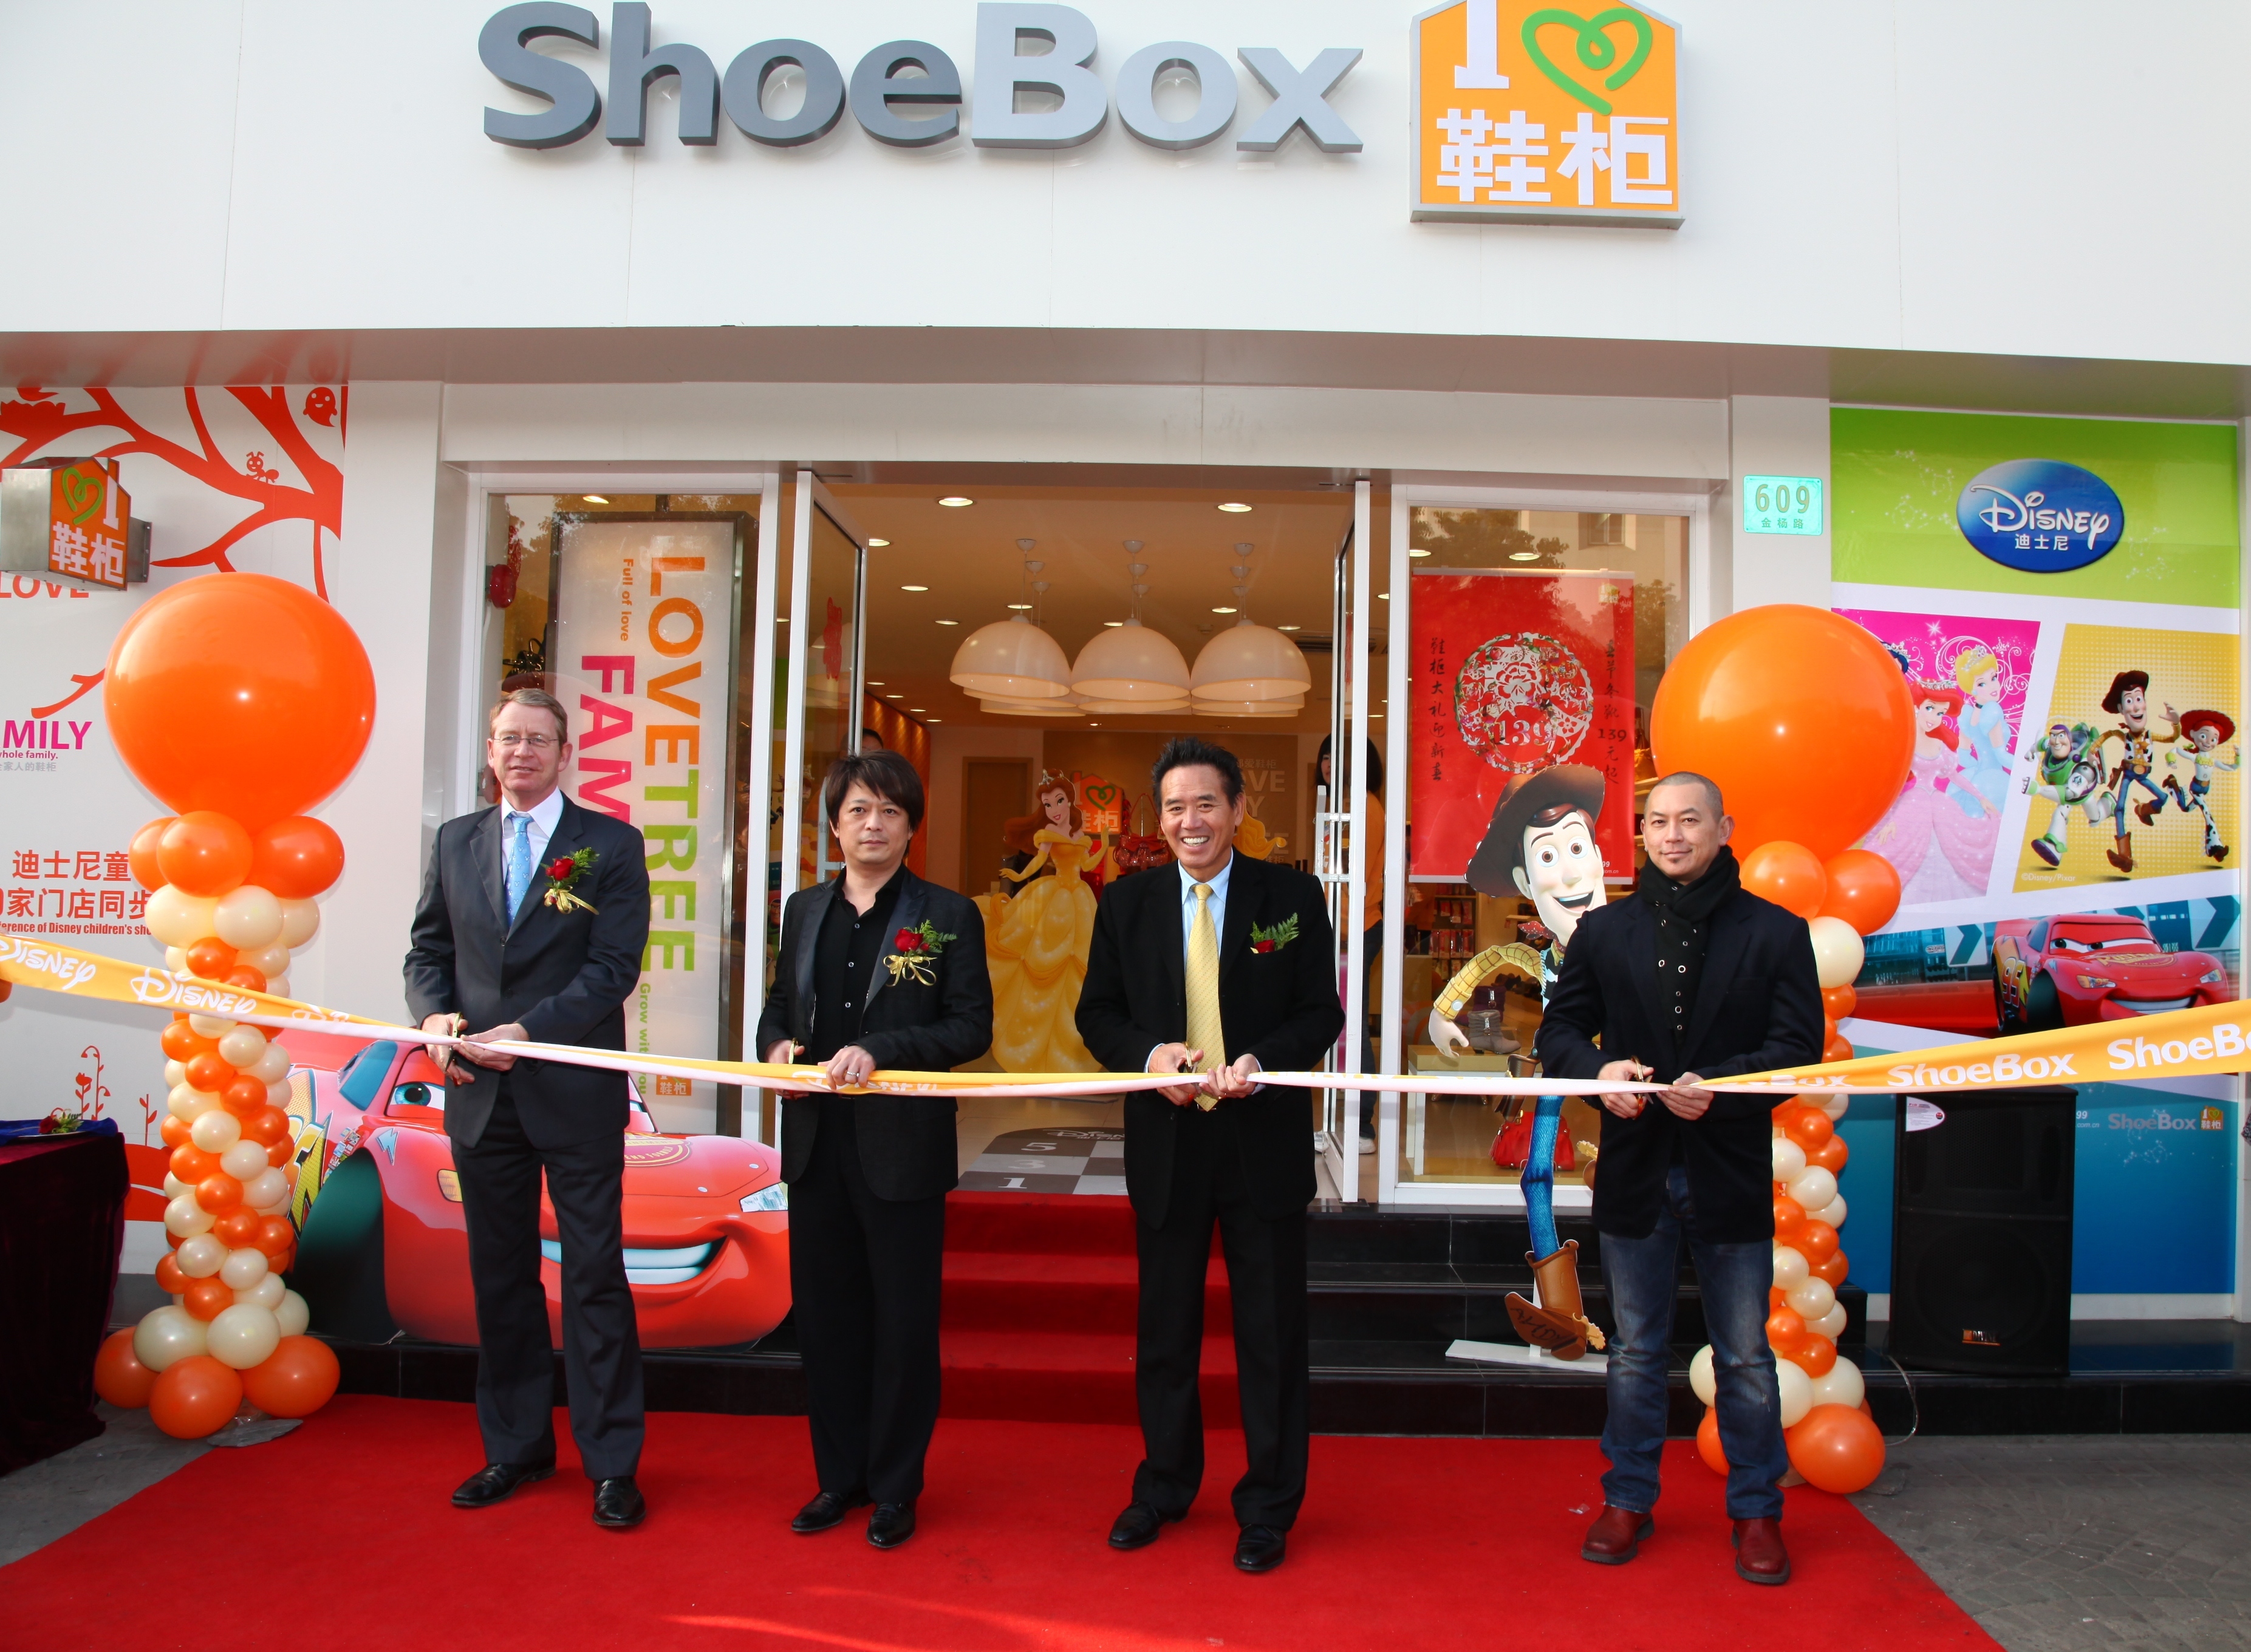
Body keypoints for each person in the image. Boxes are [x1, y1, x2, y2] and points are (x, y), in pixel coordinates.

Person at [1534, 773, 1823, 1586]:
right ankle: (1627, 1498)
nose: (1671, 835)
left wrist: (1720, 1086)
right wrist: (1599, 1072)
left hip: (1728, 1169)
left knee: (1745, 1355)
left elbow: (1796, 1049)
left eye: (1688, 820)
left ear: (1722, 828)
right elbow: (1559, 1030)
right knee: (1633, 1352)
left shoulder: (1775, 932)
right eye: (1657, 821)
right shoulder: (1604, 930)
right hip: (1634, 1171)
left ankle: (1757, 1511)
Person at [1076, 737, 1345, 1575]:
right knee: (1165, 1331)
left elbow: (1321, 1012)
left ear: (1236, 810)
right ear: (1159, 818)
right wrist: (1148, 1055)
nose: (1188, 820)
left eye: (1204, 804)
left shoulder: (1290, 896)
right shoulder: (1127, 903)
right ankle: (1163, 1485)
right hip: (1168, 1142)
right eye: (1174, 807)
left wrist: (1264, 1061)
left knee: (1270, 1334)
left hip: (1260, 1138)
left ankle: (1268, 1503)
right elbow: (1097, 1014)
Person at [404, 688, 653, 1529]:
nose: (521, 752)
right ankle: (514, 1448)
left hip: (572, 1092)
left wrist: (530, 1032)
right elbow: (428, 951)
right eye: (508, 738)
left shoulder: (609, 845)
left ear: (564, 752)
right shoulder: (456, 840)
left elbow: (612, 968)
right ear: (491, 749)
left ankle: (612, 1463)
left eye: (538, 740)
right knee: (500, 1277)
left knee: (593, 1276)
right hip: (479, 1095)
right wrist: (432, 1017)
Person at [756, 751, 992, 1551]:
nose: (873, 824)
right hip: (816, 1146)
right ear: (834, 824)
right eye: (858, 809)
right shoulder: (803, 910)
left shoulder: (947, 913)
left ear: (911, 825)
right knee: (827, 1322)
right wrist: (777, 1051)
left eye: (890, 811)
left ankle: (895, 1486)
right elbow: (779, 1008)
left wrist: (881, 1050)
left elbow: (970, 1026)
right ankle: (838, 1477)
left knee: (902, 1325)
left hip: (901, 1150)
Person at [1429, 764, 1610, 1357]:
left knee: (1621, 1166)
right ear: (1524, 880)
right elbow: (1490, 961)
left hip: (1619, 1076)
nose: (1571, 872)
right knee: (1538, 1173)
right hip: (1558, 1068)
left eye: (1577, 848)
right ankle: (1563, 1314)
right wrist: (1443, 1012)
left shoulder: (1629, 943)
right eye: (1548, 857)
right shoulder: (1541, 958)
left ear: (1599, 855)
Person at [974, 773, 1108, 1073]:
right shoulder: (1048, 832)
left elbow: (1087, 865)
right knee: (1038, 956)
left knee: (1081, 960)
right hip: (1053, 896)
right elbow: (1038, 862)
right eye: (1048, 805)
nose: (1054, 810)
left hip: (1079, 899)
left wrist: (1102, 844)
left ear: (1069, 801)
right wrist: (1019, 876)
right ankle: (1028, 1033)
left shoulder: (1079, 835)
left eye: (1058, 801)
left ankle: (1076, 1041)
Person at [1317, 734, 1384, 1155]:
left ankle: (1363, 1125)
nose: (1329, 763)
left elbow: (1350, 876)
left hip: (1353, 928)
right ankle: (1344, 1120)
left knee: (1351, 1025)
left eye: (1337, 756)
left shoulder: (1363, 807)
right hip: (1341, 927)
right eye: (1325, 756)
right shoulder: (1342, 806)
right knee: (1339, 1022)